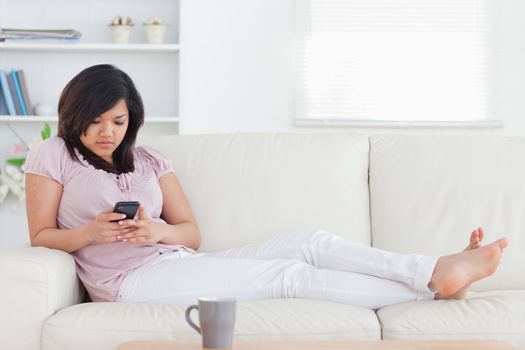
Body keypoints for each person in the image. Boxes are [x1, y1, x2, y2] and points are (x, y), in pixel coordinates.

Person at [24, 64, 509, 308]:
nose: (107, 132)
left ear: (132, 120)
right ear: (75, 116)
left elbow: (190, 233)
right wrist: (92, 233)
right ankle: (432, 293)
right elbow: (41, 236)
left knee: (307, 242)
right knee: (285, 275)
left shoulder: (150, 158)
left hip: (174, 259)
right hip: (129, 283)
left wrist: (157, 233)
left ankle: (429, 270)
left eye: (119, 120)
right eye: (96, 121)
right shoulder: (54, 153)